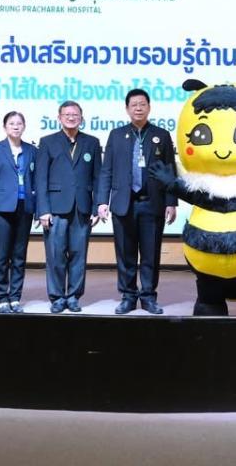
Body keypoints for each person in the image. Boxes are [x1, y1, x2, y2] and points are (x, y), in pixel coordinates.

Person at [97, 89, 177, 315]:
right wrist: (102, 201)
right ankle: (128, 296)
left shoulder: (161, 135)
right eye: (134, 105)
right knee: (125, 253)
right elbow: (107, 170)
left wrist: (171, 201)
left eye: (142, 104)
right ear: (127, 109)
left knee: (151, 253)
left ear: (149, 107)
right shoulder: (116, 135)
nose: (138, 108)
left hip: (152, 203)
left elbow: (170, 170)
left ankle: (149, 296)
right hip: (124, 203)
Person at [36, 101, 101, 314]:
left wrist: (96, 207)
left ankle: (73, 296)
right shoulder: (47, 142)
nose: (71, 118)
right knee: (55, 255)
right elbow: (40, 179)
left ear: (81, 118)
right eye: (67, 114)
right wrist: (43, 209)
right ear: (59, 118)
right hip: (55, 209)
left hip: (82, 208)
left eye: (75, 115)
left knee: (78, 256)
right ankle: (56, 297)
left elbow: (98, 177)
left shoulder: (92, 142)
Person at [0, 112, 36, 314]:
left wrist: (39, 209)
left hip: (25, 208)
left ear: (24, 126)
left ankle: (15, 297)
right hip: (2, 209)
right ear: (5, 127)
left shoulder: (32, 150)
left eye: (19, 123)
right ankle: (1, 297)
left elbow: (37, 181)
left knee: (19, 256)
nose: (15, 126)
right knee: (2, 256)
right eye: (11, 123)